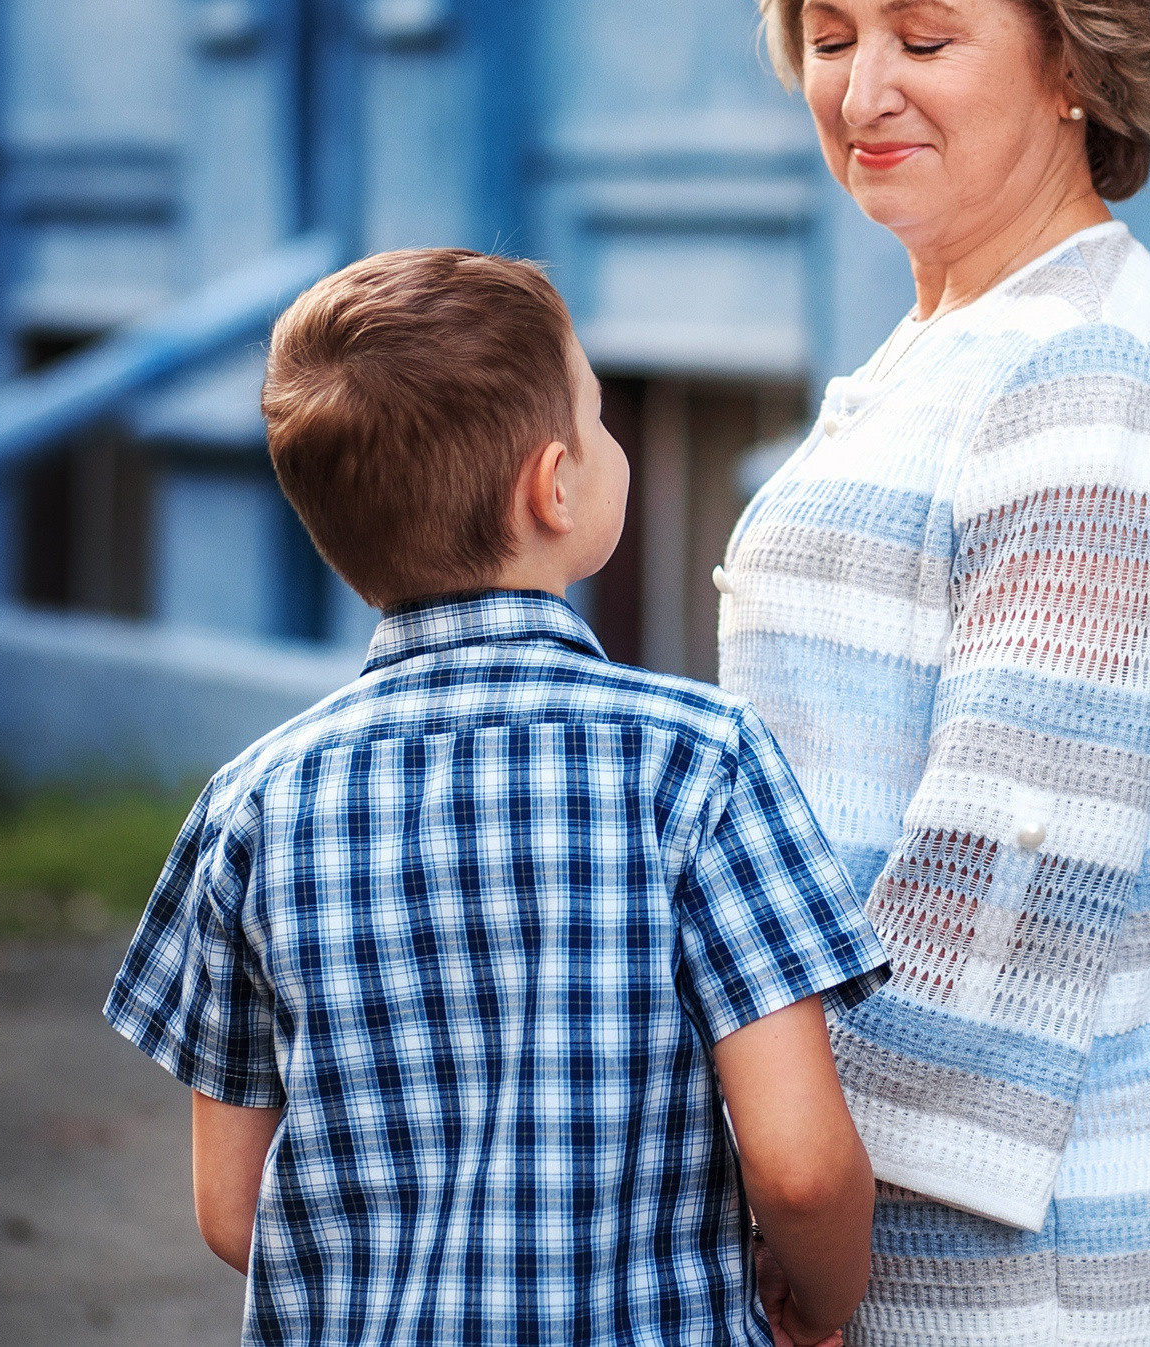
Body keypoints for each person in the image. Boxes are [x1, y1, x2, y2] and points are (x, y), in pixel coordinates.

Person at [104, 248, 889, 1347]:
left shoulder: (253, 807)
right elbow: (800, 1169)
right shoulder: (699, 765)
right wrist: (824, 1297)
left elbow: (233, 1209)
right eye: (602, 418)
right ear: (554, 484)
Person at [720, 0, 1150, 1346]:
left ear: (1072, 54)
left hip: (987, 1267)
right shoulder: (968, 329)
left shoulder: (1078, 366)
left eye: (923, 39)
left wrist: (816, 1219)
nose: (862, 87)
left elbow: (1009, 856)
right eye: (828, 31)